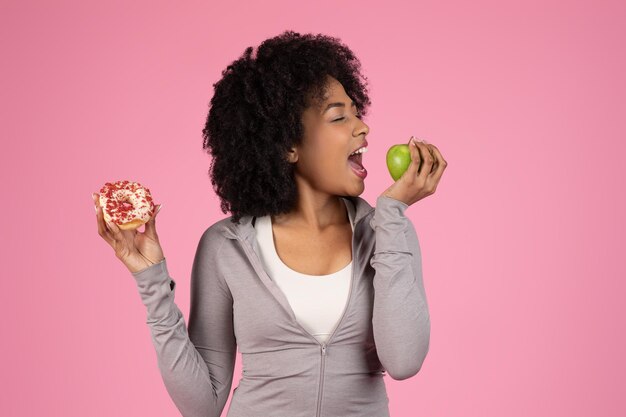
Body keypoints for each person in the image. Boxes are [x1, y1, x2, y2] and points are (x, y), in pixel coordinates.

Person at [93, 30, 447, 417]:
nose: (363, 128)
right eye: (339, 117)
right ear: (287, 146)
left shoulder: (389, 233)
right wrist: (152, 284)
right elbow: (203, 405)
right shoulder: (225, 245)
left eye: (356, 112)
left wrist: (393, 212)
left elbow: (404, 361)